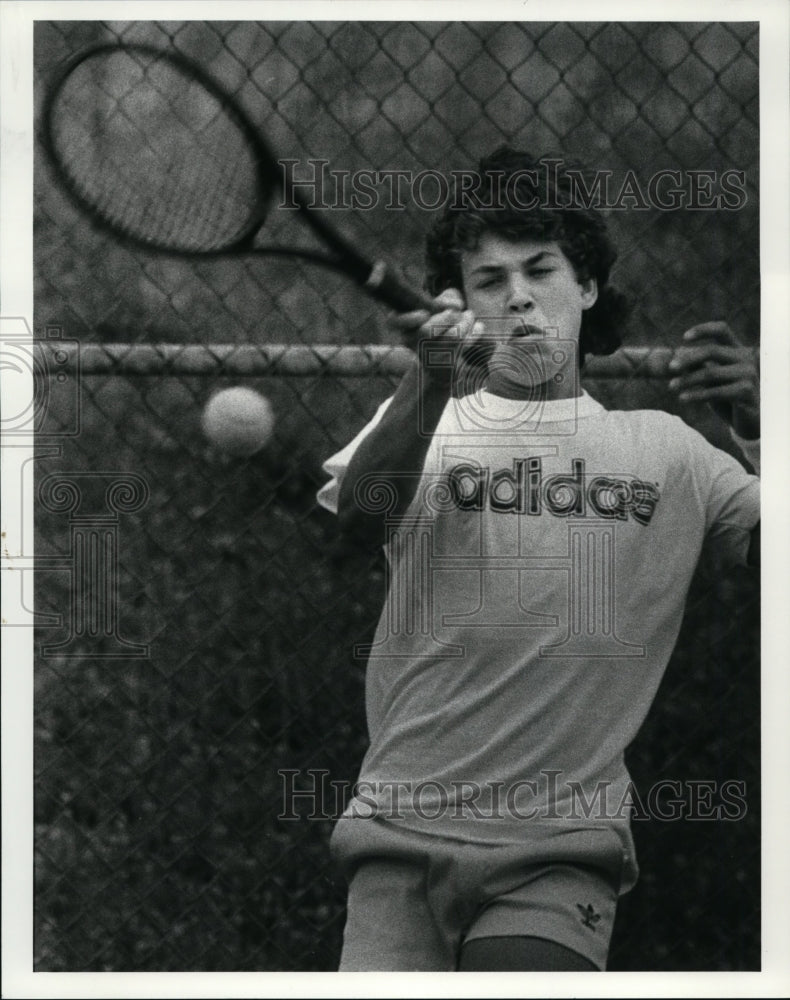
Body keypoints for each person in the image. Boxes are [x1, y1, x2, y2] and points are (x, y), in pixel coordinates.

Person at [316, 147, 760, 972]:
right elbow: (356, 524)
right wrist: (428, 383)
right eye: (489, 280)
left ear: (586, 285)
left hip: (560, 846)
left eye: (540, 269)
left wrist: (768, 425)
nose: (518, 295)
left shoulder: (667, 452)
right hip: (398, 829)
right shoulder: (429, 424)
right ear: (461, 303)